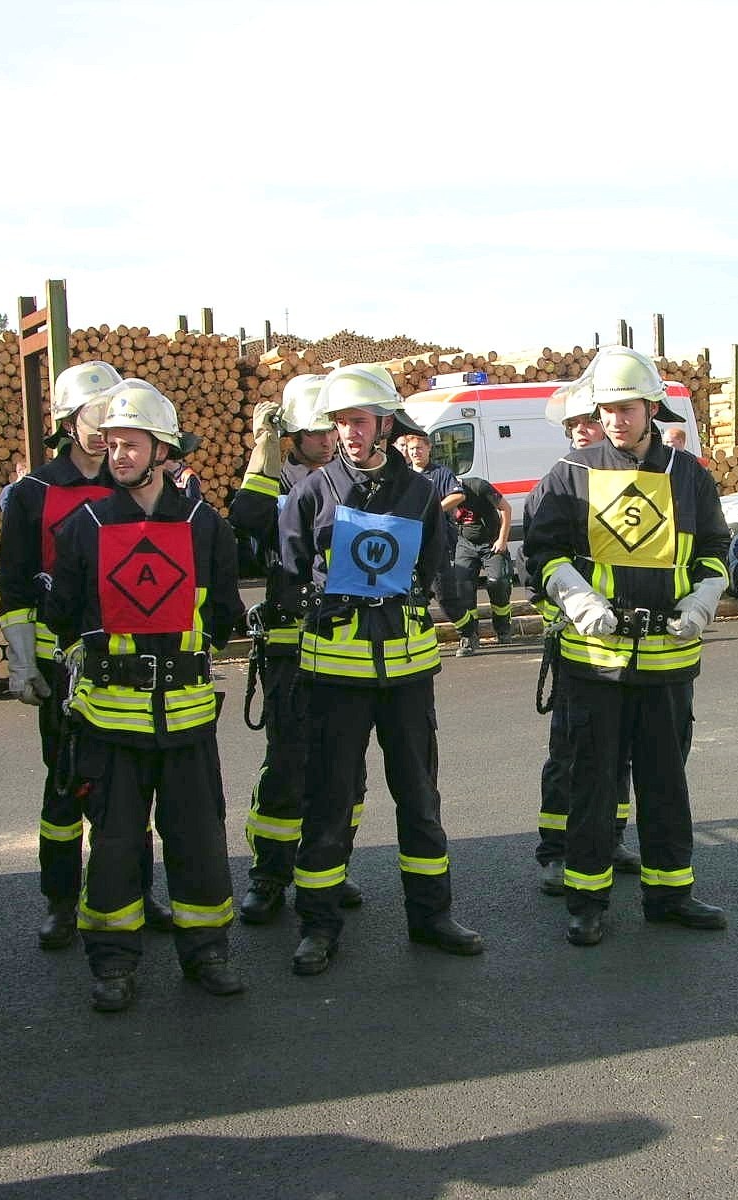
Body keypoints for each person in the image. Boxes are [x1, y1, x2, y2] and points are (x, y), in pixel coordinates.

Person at [276, 363, 484, 975]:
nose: (347, 433)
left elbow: (438, 567)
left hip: (405, 674)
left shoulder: (419, 493)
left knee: (419, 796)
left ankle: (431, 915)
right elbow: (288, 575)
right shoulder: (313, 491)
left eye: (358, 421)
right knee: (329, 799)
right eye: (338, 422)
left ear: (385, 424)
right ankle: (318, 925)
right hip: (333, 676)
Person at [46, 378, 245, 1012]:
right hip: (110, 719)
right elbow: (61, 616)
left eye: (132, 443)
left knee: (198, 840)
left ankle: (206, 952)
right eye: (111, 444)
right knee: (115, 847)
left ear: (164, 449)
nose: (119, 454)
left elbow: (225, 613)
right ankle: (112, 962)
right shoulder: (85, 526)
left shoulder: (204, 525)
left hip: (186, 714)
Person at [524, 346, 732, 947]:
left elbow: (715, 547)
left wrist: (706, 595)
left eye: (627, 407)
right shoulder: (573, 470)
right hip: (597, 658)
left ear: (651, 408)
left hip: (668, 658)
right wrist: (575, 597)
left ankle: (670, 895)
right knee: (593, 781)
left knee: (667, 781)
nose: (616, 418)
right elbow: (540, 553)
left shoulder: (689, 475)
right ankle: (586, 900)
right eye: (607, 408)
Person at [0, 361, 173, 950]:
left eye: (114, 417)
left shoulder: (141, 488)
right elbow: (17, 587)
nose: (104, 431)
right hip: (61, 670)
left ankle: (136, 893)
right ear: (69, 423)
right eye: (93, 417)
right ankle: (62, 901)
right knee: (67, 785)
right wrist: (25, 663)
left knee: (133, 786)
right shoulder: (33, 495)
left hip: (132, 665)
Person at [227, 373, 366, 923]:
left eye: (331, 429)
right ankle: (270, 874)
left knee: (344, 770)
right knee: (287, 765)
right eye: (314, 432)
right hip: (290, 647)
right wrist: (261, 450)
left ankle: (330, 864)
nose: (328, 440)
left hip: (345, 645)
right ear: (291, 435)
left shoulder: (351, 479)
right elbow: (247, 520)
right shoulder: (276, 483)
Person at [529, 378, 640, 893]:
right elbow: (541, 559)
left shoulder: (632, 479)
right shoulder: (562, 482)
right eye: (572, 426)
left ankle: (609, 836)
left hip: (635, 642)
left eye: (586, 423)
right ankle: (555, 849)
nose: (580, 432)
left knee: (620, 756)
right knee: (571, 752)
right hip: (579, 638)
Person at [394, 425, 465, 632]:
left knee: (444, 595)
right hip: (409, 542)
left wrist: (432, 510)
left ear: (429, 448)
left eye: (419, 448)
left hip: (435, 541)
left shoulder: (440, 473)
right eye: (411, 448)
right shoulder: (403, 475)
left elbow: (458, 495)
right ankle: (421, 634)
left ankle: (468, 631)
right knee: (414, 594)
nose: (415, 452)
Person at [447, 473, 515, 656]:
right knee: (463, 587)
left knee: (498, 581)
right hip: (465, 544)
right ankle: (471, 635)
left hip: (491, 542)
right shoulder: (442, 492)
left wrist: (502, 540)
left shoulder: (478, 486)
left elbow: (506, 509)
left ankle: (503, 628)